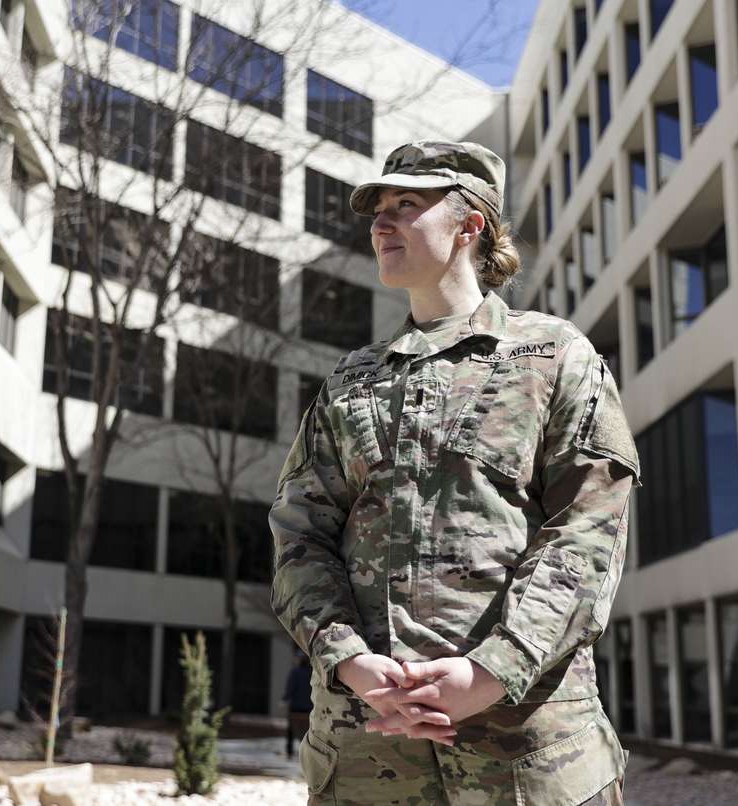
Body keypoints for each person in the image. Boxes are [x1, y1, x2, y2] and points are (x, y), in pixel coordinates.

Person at [269, 140, 639, 805]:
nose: (380, 224)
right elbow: (300, 537)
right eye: (377, 210)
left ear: (470, 225)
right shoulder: (350, 383)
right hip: (366, 760)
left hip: (527, 760)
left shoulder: (554, 355)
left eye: (405, 205)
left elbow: (588, 532)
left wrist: (491, 671)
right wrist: (352, 662)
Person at [282, 651, 314, 758]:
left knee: (291, 729)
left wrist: (284, 699)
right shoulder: (313, 673)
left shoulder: (295, 672)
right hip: (309, 708)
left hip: (295, 707)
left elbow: (290, 688)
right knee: (309, 731)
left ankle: (289, 752)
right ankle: (308, 753)